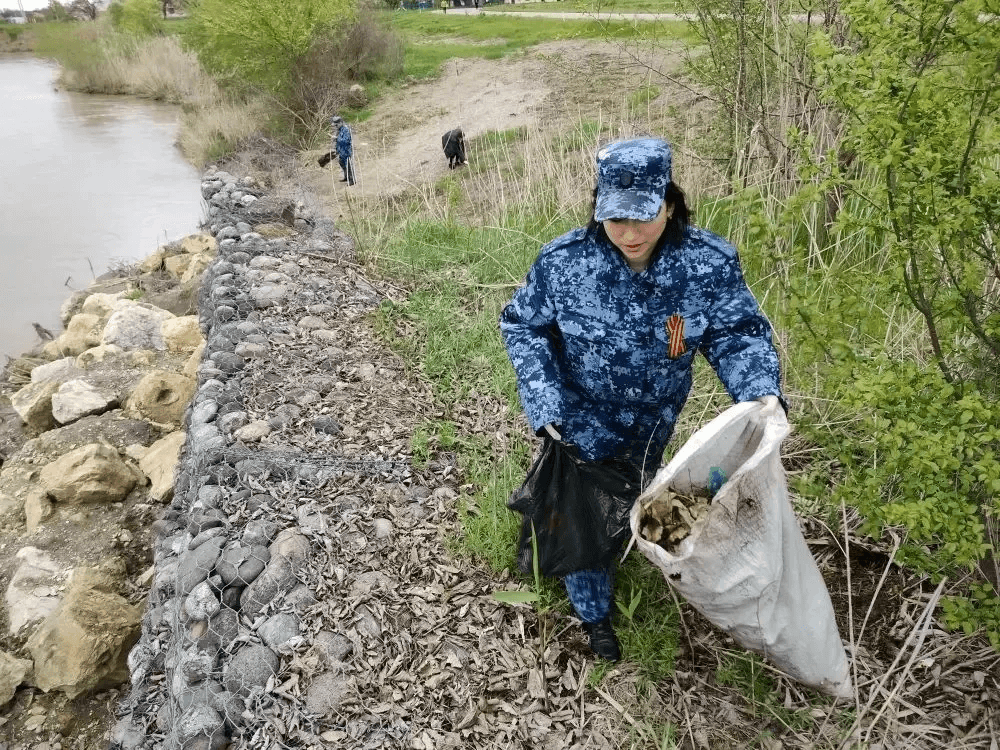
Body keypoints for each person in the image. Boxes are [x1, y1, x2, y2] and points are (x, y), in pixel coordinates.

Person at [499, 136, 786, 662]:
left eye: (643, 218)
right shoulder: (564, 264)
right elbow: (522, 326)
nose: (629, 235)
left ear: (670, 204)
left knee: (634, 503)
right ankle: (595, 617)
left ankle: (617, 544)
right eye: (615, 220)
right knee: (581, 515)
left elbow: (737, 334)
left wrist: (760, 395)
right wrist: (544, 402)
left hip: (655, 425)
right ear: (598, 210)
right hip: (579, 421)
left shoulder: (706, 265)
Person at [331, 115, 356, 186]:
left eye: (336, 125)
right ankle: (346, 177)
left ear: (341, 122)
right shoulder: (339, 129)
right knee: (342, 164)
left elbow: (346, 140)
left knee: (348, 165)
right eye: (334, 125)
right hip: (340, 151)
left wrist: (336, 138)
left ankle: (352, 180)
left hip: (346, 151)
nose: (335, 126)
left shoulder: (346, 129)